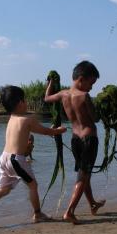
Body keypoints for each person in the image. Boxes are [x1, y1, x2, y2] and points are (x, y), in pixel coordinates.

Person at [0, 85, 67, 229]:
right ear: (20, 103)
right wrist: (59, 130)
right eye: (25, 100)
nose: (26, 103)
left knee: (4, 189)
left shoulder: (11, 118)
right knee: (33, 186)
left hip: (4, 157)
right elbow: (45, 131)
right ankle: (37, 213)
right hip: (16, 160)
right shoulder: (27, 119)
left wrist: (51, 131)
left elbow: (28, 134)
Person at [44, 61, 105, 224]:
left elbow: (47, 98)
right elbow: (95, 118)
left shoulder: (63, 94)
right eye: (91, 83)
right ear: (81, 79)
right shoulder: (84, 96)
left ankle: (92, 204)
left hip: (75, 140)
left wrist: (50, 82)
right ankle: (69, 211)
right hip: (89, 139)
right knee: (83, 176)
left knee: (85, 174)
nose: (91, 87)